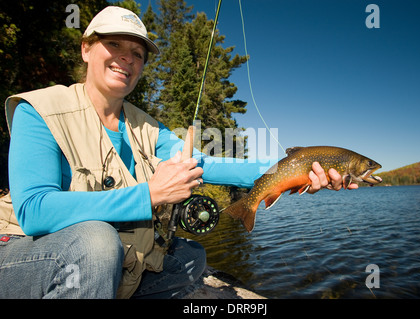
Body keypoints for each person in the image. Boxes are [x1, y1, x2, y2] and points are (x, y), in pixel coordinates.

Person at [0, 6, 356, 299]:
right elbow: (34, 211)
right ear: (86, 48)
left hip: (103, 259)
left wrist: (300, 168)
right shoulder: (39, 110)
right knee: (97, 245)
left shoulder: (146, 126)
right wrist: (150, 194)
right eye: (114, 45)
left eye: (137, 53)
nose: (127, 58)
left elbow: (205, 163)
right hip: (23, 254)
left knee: (189, 257)